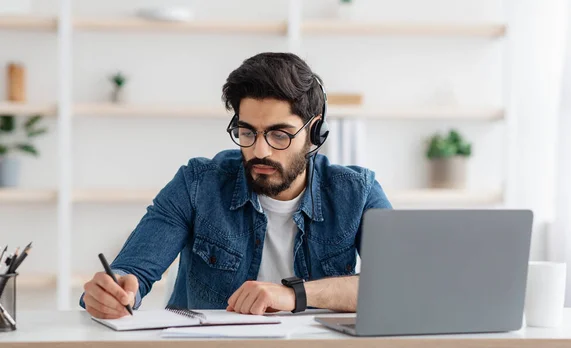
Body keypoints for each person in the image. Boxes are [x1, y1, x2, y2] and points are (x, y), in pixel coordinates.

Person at [80, 52, 392, 319]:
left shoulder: (357, 191)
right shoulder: (197, 183)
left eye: (279, 135)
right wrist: (114, 291)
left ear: (314, 132)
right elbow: (132, 271)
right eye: (247, 133)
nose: (260, 151)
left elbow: (399, 283)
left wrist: (293, 295)